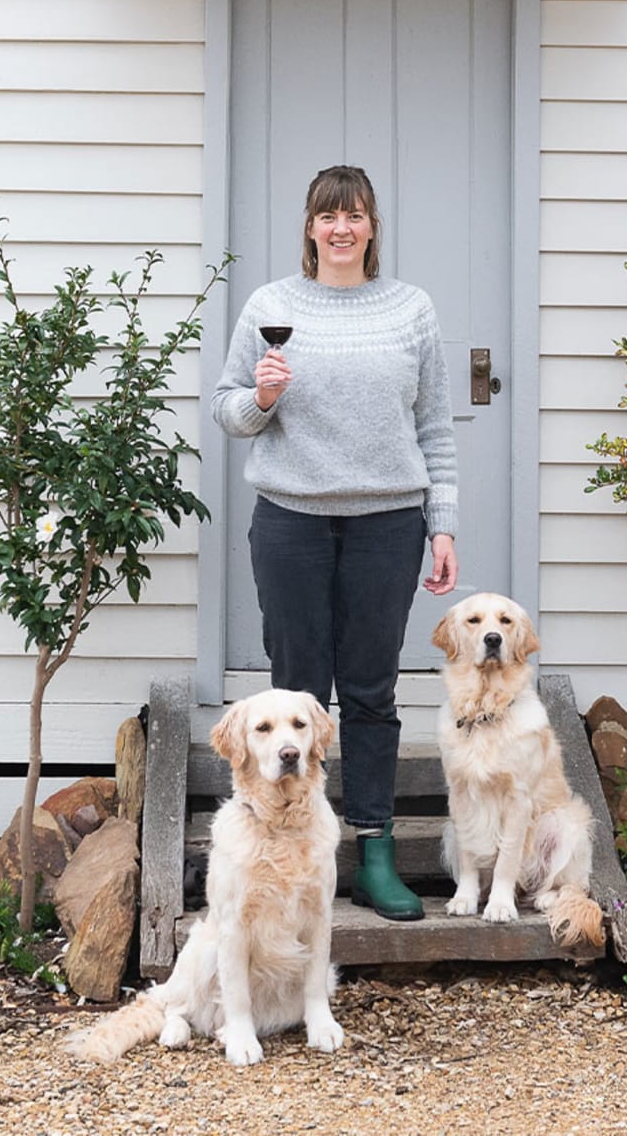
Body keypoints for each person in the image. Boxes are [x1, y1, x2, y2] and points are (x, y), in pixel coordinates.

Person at [210, 164, 458, 922]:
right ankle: (292, 854)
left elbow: (434, 427)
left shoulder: (411, 309)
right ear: (311, 227)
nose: (341, 228)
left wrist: (442, 524)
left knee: (371, 691)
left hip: (388, 522)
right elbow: (227, 410)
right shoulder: (271, 306)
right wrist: (263, 397)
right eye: (328, 216)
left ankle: (375, 854)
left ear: (372, 226)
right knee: (297, 693)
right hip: (292, 521)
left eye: (354, 216)